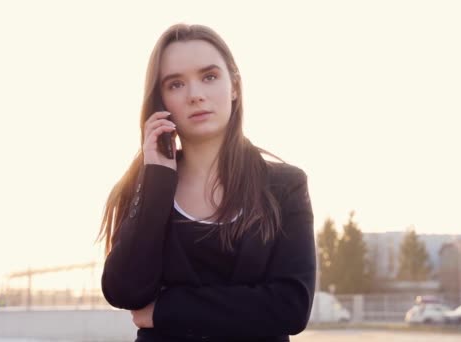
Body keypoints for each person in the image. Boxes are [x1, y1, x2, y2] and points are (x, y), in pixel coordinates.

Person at [97, 23, 315, 342]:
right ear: (160, 101)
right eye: (175, 85)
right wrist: (157, 180)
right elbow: (124, 291)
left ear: (235, 87)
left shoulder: (285, 186)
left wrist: (165, 310)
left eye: (209, 77)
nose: (195, 95)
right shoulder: (143, 186)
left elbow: (291, 306)